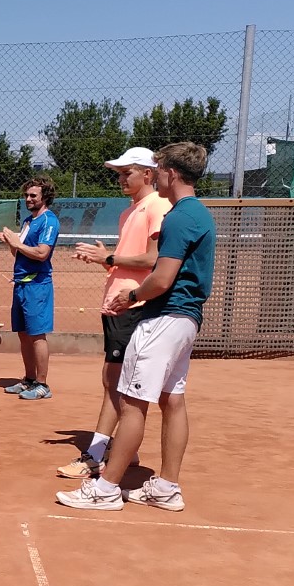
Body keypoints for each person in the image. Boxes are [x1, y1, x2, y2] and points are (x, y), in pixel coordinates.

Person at [57, 142, 216, 512]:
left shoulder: (177, 216)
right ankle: (166, 488)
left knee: (131, 402)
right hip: (185, 318)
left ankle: (106, 488)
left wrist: (130, 296)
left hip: (163, 316)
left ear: (170, 173)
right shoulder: (199, 213)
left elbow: (161, 277)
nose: (155, 175)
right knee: (172, 400)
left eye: (158, 169)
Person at [58, 147, 171, 479]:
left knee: (114, 382)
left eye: (127, 172)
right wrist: (105, 258)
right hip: (116, 306)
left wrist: (108, 259)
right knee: (114, 381)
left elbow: (154, 259)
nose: (121, 178)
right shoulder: (129, 212)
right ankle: (126, 449)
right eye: (119, 173)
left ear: (147, 174)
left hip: (133, 306)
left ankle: (94, 455)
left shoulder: (157, 206)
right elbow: (125, 261)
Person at [0, 176, 59, 400]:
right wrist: (11, 243)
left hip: (37, 284)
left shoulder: (49, 221)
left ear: (45, 197)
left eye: (33, 195)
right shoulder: (28, 221)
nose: (28, 199)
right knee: (23, 334)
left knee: (37, 335)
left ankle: (43, 385)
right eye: (26, 195)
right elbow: (18, 252)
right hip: (21, 283)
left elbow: (42, 253)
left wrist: (17, 243)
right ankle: (29, 379)